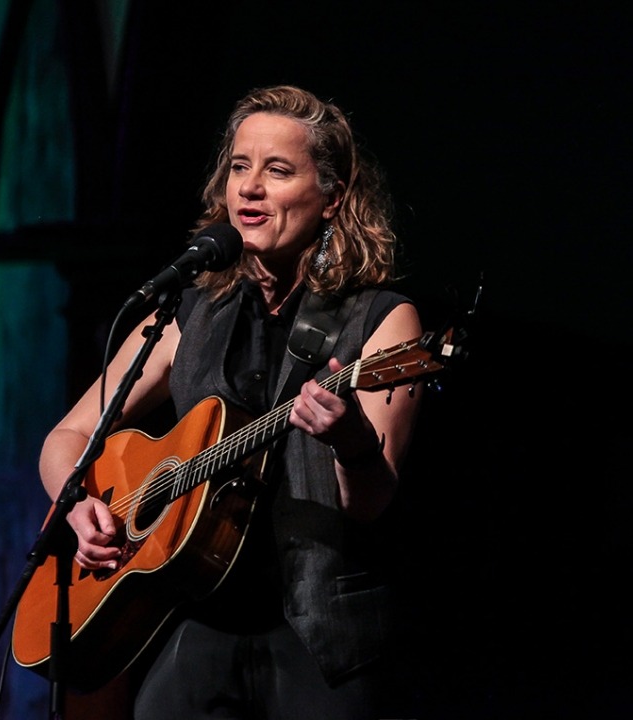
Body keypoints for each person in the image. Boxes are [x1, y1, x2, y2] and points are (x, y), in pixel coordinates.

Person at [38, 85, 424, 719]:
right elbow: (65, 439)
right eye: (240, 167)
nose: (248, 188)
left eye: (277, 171)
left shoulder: (381, 323)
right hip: (196, 625)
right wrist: (78, 506)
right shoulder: (189, 313)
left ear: (331, 198)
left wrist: (349, 439)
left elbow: (370, 502)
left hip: (319, 639)